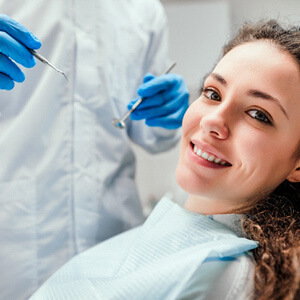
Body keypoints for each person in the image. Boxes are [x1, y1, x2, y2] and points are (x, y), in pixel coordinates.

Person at [29, 19, 300, 300]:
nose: (211, 120)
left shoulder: (212, 273)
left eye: (258, 115)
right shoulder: (175, 244)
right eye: (213, 93)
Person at [0, 1, 189, 299]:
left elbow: (152, 135)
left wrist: (165, 114)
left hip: (114, 233)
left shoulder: (144, 10)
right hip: (13, 244)